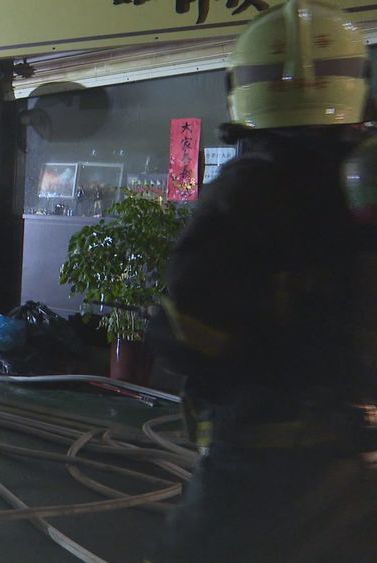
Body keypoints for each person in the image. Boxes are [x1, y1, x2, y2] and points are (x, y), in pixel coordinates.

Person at [150, 1, 375, 561]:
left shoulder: (243, 194)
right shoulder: (363, 184)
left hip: (252, 467)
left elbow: (186, 334)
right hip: (351, 469)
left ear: (241, 86)